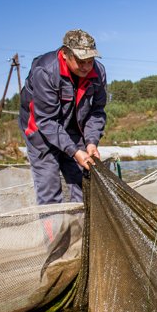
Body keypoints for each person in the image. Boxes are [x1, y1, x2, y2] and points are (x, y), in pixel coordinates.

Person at [19, 29, 107, 204]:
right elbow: (46, 120)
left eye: (90, 61)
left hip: (74, 129)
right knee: (49, 192)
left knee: (84, 183)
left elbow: (97, 111)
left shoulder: (98, 72)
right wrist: (74, 152)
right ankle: (56, 232)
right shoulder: (46, 70)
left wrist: (91, 141)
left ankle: (80, 229)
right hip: (40, 133)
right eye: (81, 61)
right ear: (65, 54)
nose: (87, 67)